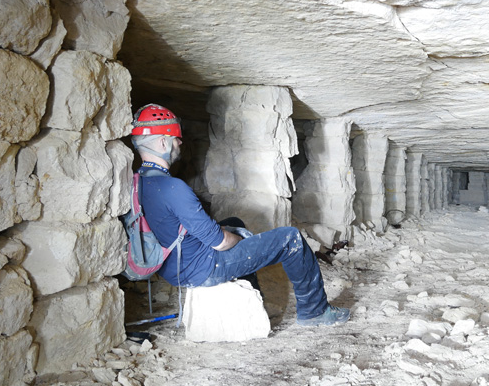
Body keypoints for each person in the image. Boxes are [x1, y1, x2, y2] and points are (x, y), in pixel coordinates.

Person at [130, 103, 349, 327]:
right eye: (176, 138)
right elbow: (221, 243)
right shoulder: (173, 187)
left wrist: (230, 230)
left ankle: (252, 300)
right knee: (290, 238)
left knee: (233, 222)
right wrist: (240, 238)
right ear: (162, 142)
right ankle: (315, 312)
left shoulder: (139, 181)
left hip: (172, 265)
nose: (180, 143)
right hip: (201, 268)